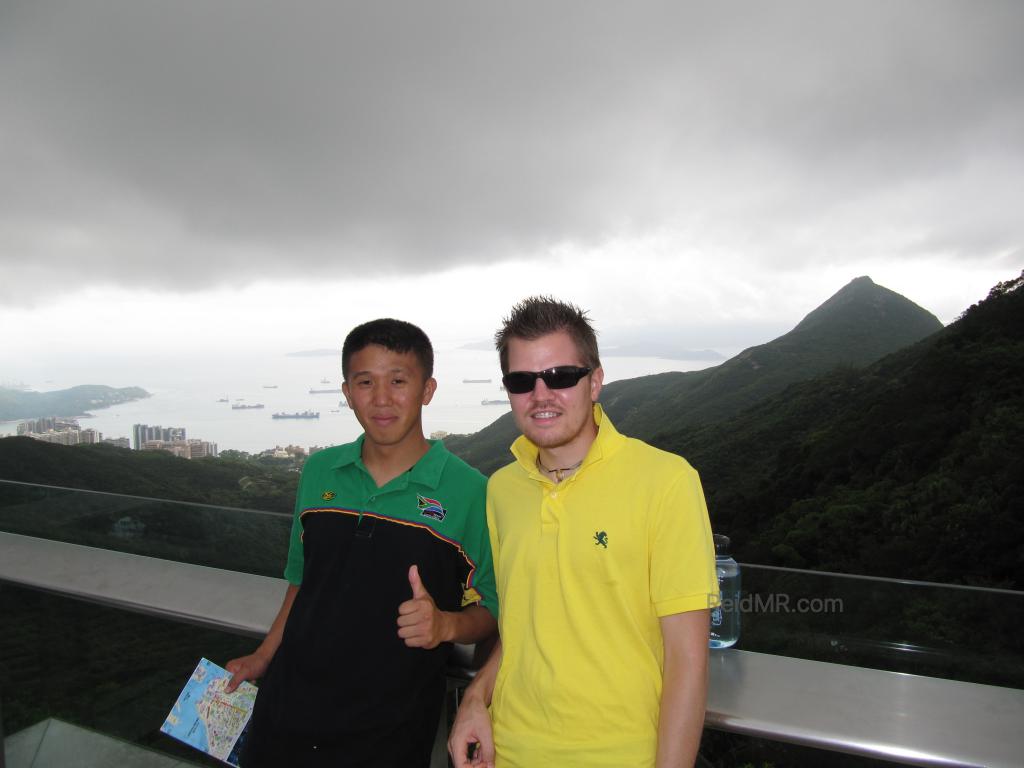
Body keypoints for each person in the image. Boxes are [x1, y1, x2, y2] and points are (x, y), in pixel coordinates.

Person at [448, 297, 719, 768]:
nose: (541, 394)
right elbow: (524, 625)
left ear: (594, 381)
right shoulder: (502, 490)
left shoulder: (666, 481)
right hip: (506, 752)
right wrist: (475, 697)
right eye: (521, 381)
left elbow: (687, 661)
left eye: (560, 376)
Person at [227, 318, 498, 767]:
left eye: (398, 380)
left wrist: (446, 627)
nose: (382, 398)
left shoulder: (470, 493)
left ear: (427, 389)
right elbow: (300, 582)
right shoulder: (319, 473)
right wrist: (262, 656)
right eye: (365, 382)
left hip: (389, 732)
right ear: (347, 391)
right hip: (286, 712)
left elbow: (493, 607)